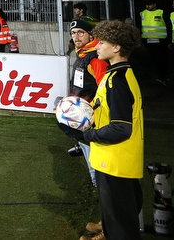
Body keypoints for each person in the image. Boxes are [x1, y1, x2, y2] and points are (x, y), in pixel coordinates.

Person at [58, 19, 144, 240]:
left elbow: (120, 129)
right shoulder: (117, 74)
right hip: (113, 157)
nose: (96, 45)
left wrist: (85, 135)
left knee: (121, 222)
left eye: (102, 41)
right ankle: (107, 230)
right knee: (118, 213)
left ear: (116, 47)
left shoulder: (119, 81)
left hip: (116, 160)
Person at [66, 19, 108, 187]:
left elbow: (105, 89)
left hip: (92, 118)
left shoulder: (95, 59)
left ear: (91, 35)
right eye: (73, 33)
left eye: (80, 32)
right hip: (82, 116)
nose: (76, 37)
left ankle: (100, 192)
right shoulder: (82, 54)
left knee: (95, 165)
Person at [138, 0, 169, 85]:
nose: (148, 6)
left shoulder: (161, 12)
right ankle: (162, 76)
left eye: (150, 4)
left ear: (155, 5)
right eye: (147, 5)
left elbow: (168, 25)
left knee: (162, 59)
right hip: (148, 41)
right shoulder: (142, 13)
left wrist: (168, 40)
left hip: (161, 41)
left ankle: (164, 76)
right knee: (154, 60)